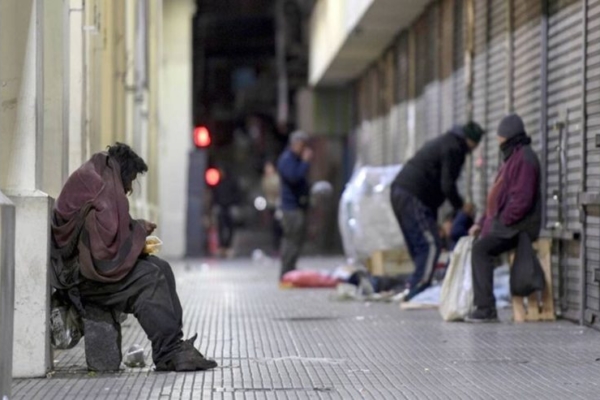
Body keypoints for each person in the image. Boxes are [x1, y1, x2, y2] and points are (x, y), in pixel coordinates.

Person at [50, 143, 217, 372]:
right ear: (125, 173)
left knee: (162, 268)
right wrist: (138, 230)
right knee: (151, 278)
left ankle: (173, 345)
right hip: (81, 280)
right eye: (131, 181)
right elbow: (104, 251)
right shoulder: (103, 185)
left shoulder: (99, 174)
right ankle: (168, 351)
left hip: (81, 268)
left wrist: (135, 232)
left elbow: (105, 236)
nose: (129, 189)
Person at [390, 122, 485, 302]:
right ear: (471, 141)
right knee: (431, 244)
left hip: (401, 192)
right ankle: (418, 289)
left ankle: (415, 285)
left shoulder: (446, 142)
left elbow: (436, 188)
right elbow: (447, 185)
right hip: (412, 194)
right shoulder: (454, 148)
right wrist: (461, 206)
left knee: (420, 245)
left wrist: (436, 221)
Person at [466, 114, 541, 322]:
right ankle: (483, 305)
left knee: (481, 250)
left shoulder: (524, 159)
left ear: (508, 138)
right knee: (480, 245)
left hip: (520, 226)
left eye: (500, 139)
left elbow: (522, 201)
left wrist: (501, 223)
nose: (499, 143)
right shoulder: (513, 158)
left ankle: (485, 309)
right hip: (509, 224)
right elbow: (497, 200)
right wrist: (482, 223)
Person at [277, 130, 312, 281]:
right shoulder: (287, 160)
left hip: (298, 206)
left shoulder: (295, 159)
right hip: (291, 208)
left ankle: (290, 270)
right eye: (301, 145)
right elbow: (294, 177)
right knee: (291, 240)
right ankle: (286, 271)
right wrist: (305, 162)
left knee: (296, 240)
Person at [212, 167, 242, 258]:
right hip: (221, 207)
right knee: (221, 228)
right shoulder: (218, 182)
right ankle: (222, 247)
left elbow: (237, 194)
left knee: (230, 228)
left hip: (229, 207)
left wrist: (235, 205)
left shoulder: (232, 182)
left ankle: (228, 247)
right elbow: (215, 194)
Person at [261, 160, 283, 254]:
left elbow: (278, 189)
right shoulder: (265, 179)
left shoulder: (277, 178)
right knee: (273, 227)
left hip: (278, 204)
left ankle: (280, 246)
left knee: (279, 226)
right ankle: (275, 247)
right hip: (270, 205)